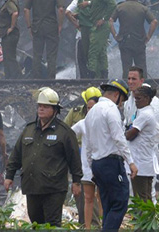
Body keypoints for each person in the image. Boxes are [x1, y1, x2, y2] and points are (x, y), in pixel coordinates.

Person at [4, 87, 82, 226]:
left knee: (52, 224)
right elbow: (16, 155)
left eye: (45, 107)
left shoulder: (64, 132)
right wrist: (9, 176)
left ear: (55, 110)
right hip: (32, 186)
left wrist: (76, 182)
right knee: (36, 223)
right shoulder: (29, 129)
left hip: (54, 188)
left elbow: (74, 158)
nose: (41, 109)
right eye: (40, 106)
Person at [84, 79, 138, 231]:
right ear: (116, 95)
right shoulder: (111, 109)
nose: (121, 105)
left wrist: (91, 168)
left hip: (97, 163)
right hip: (111, 163)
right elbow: (118, 138)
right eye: (121, 101)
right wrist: (131, 162)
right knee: (120, 201)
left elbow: (88, 144)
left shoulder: (91, 112)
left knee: (108, 203)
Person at [23, 0, 65, 79]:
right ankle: (51, 80)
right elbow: (61, 9)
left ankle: (37, 79)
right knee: (51, 56)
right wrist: (60, 25)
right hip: (51, 27)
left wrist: (29, 26)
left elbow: (26, 9)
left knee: (37, 55)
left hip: (37, 27)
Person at [110, 0, 158, 78]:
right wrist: (148, 36)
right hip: (139, 42)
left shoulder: (120, 7)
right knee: (141, 69)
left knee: (126, 69)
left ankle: (126, 89)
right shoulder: (143, 8)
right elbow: (154, 22)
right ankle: (143, 89)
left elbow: (110, 21)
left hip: (124, 42)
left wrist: (115, 35)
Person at [71, 95, 102, 229]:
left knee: (100, 198)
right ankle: (88, 226)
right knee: (87, 198)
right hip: (86, 168)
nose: (90, 110)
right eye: (88, 108)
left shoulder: (104, 123)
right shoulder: (83, 124)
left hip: (102, 166)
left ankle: (99, 224)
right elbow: (69, 135)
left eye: (93, 107)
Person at [125, 86, 159, 201]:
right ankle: (148, 218)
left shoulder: (145, 114)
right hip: (144, 161)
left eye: (138, 99)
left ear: (146, 98)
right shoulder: (145, 112)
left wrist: (123, 133)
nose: (136, 102)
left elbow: (130, 135)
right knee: (146, 195)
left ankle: (143, 218)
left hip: (140, 163)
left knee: (140, 197)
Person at [84, 0, 116, 79]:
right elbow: (98, 3)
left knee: (93, 51)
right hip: (98, 26)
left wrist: (103, 18)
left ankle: (91, 76)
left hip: (100, 27)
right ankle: (104, 75)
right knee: (102, 52)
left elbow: (112, 4)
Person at [76, 0, 96, 78]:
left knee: (92, 55)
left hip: (92, 26)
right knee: (81, 56)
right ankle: (85, 80)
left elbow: (106, 0)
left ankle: (94, 78)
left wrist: (88, 3)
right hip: (83, 26)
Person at [0, 0, 21, 78]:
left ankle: (18, 78)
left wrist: (11, 27)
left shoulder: (9, 2)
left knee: (10, 57)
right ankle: (9, 78)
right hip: (8, 35)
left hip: (10, 35)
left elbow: (15, 13)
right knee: (7, 57)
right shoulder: (12, 1)